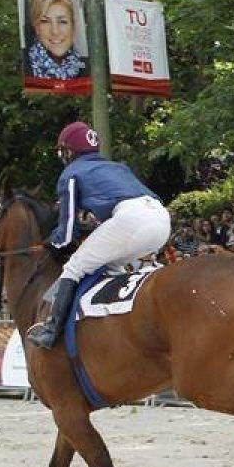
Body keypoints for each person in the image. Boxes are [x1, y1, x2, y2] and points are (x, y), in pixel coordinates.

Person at [27, 122, 171, 349]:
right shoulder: (118, 167)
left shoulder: (70, 173)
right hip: (161, 218)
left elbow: (66, 235)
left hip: (131, 220)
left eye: (63, 151)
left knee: (74, 267)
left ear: (69, 151)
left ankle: (51, 331)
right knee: (114, 268)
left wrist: (51, 244)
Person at [26, 0, 86, 80]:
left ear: (73, 27)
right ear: (37, 28)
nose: (55, 31)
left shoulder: (87, 69)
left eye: (62, 21)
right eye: (45, 21)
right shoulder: (26, 68)